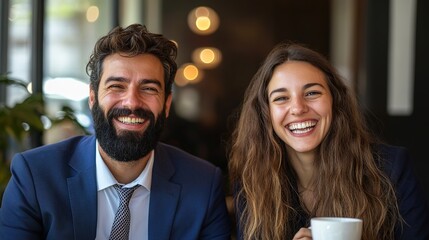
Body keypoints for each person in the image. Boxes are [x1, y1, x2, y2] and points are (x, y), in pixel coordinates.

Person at [0, 23, 231, 240]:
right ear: (92, 98)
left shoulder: (203, 186)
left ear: (167, 104)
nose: (131, 102)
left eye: (149, 88)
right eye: (116, 86)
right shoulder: (35, 176)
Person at [228, 42, 429, 240]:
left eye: (312, 93)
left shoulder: (390, 169)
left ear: (335, 101)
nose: (298, 108)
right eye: (281, 98)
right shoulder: (252, 180)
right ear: (266, 114)